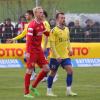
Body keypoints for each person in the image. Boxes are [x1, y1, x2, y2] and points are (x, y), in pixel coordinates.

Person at [47, 12, 77, 96]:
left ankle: (68, 91)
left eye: (64, 18)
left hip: (65, 56)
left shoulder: (67, 29)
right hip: (55, 57)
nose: (63, 19)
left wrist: (70, 49)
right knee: (52, 73)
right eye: (61, 18)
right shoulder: (53, 31)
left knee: (70, 71)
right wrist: (56, 56)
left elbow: (68, 41)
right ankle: (49, 91)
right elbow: (52, 45)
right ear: (57, 19)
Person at [24, 6, 50, 98]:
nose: (42, 14)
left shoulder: (42, 24)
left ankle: (34, 87)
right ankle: (26, 93)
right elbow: (29, 40)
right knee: (29, 70)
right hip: (32, 51)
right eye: (40, 12)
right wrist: (27, 52)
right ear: (35, 14)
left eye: (42, 12)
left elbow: (45, 32)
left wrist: (51, 32)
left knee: (46, 69)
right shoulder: (32, 25)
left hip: (39, 50)